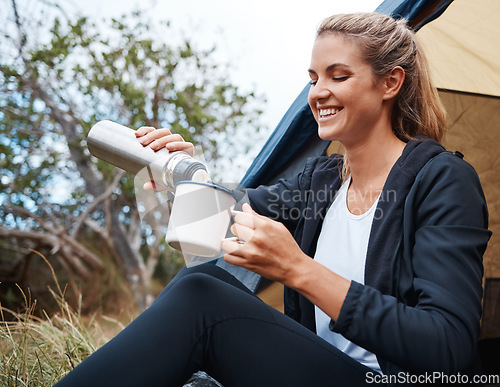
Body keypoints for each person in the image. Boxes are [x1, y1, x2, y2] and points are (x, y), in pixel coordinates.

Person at [56, 12, 491, 386]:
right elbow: (210, 229)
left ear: (390, 82)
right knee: (203, 285)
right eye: (313, 78)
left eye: (338, 76)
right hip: (321, 368)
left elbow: (446, 348)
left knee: (202, 301)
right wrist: (184, 177)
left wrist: (299, 270)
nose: (318, 92)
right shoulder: (320, 183)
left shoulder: (442, 181)